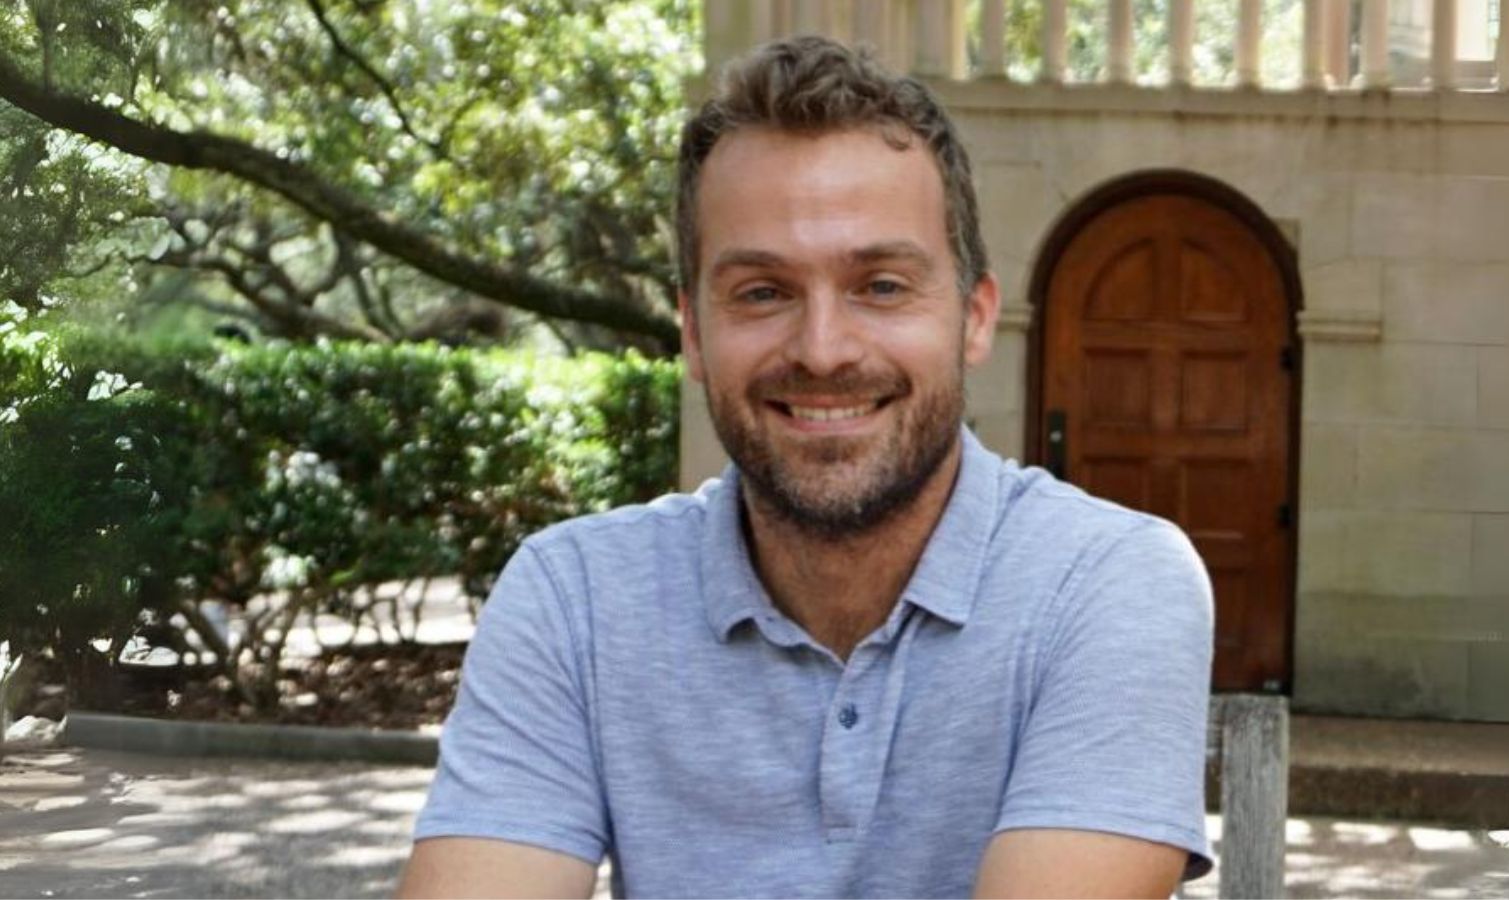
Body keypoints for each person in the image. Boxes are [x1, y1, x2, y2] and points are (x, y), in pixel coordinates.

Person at [399, 35, 1214, 899]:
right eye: (762, 291)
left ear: (974, 318)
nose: (823, 350)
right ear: (694, 334)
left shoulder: (1109, 580)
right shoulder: (574, 598)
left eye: (882, 286)